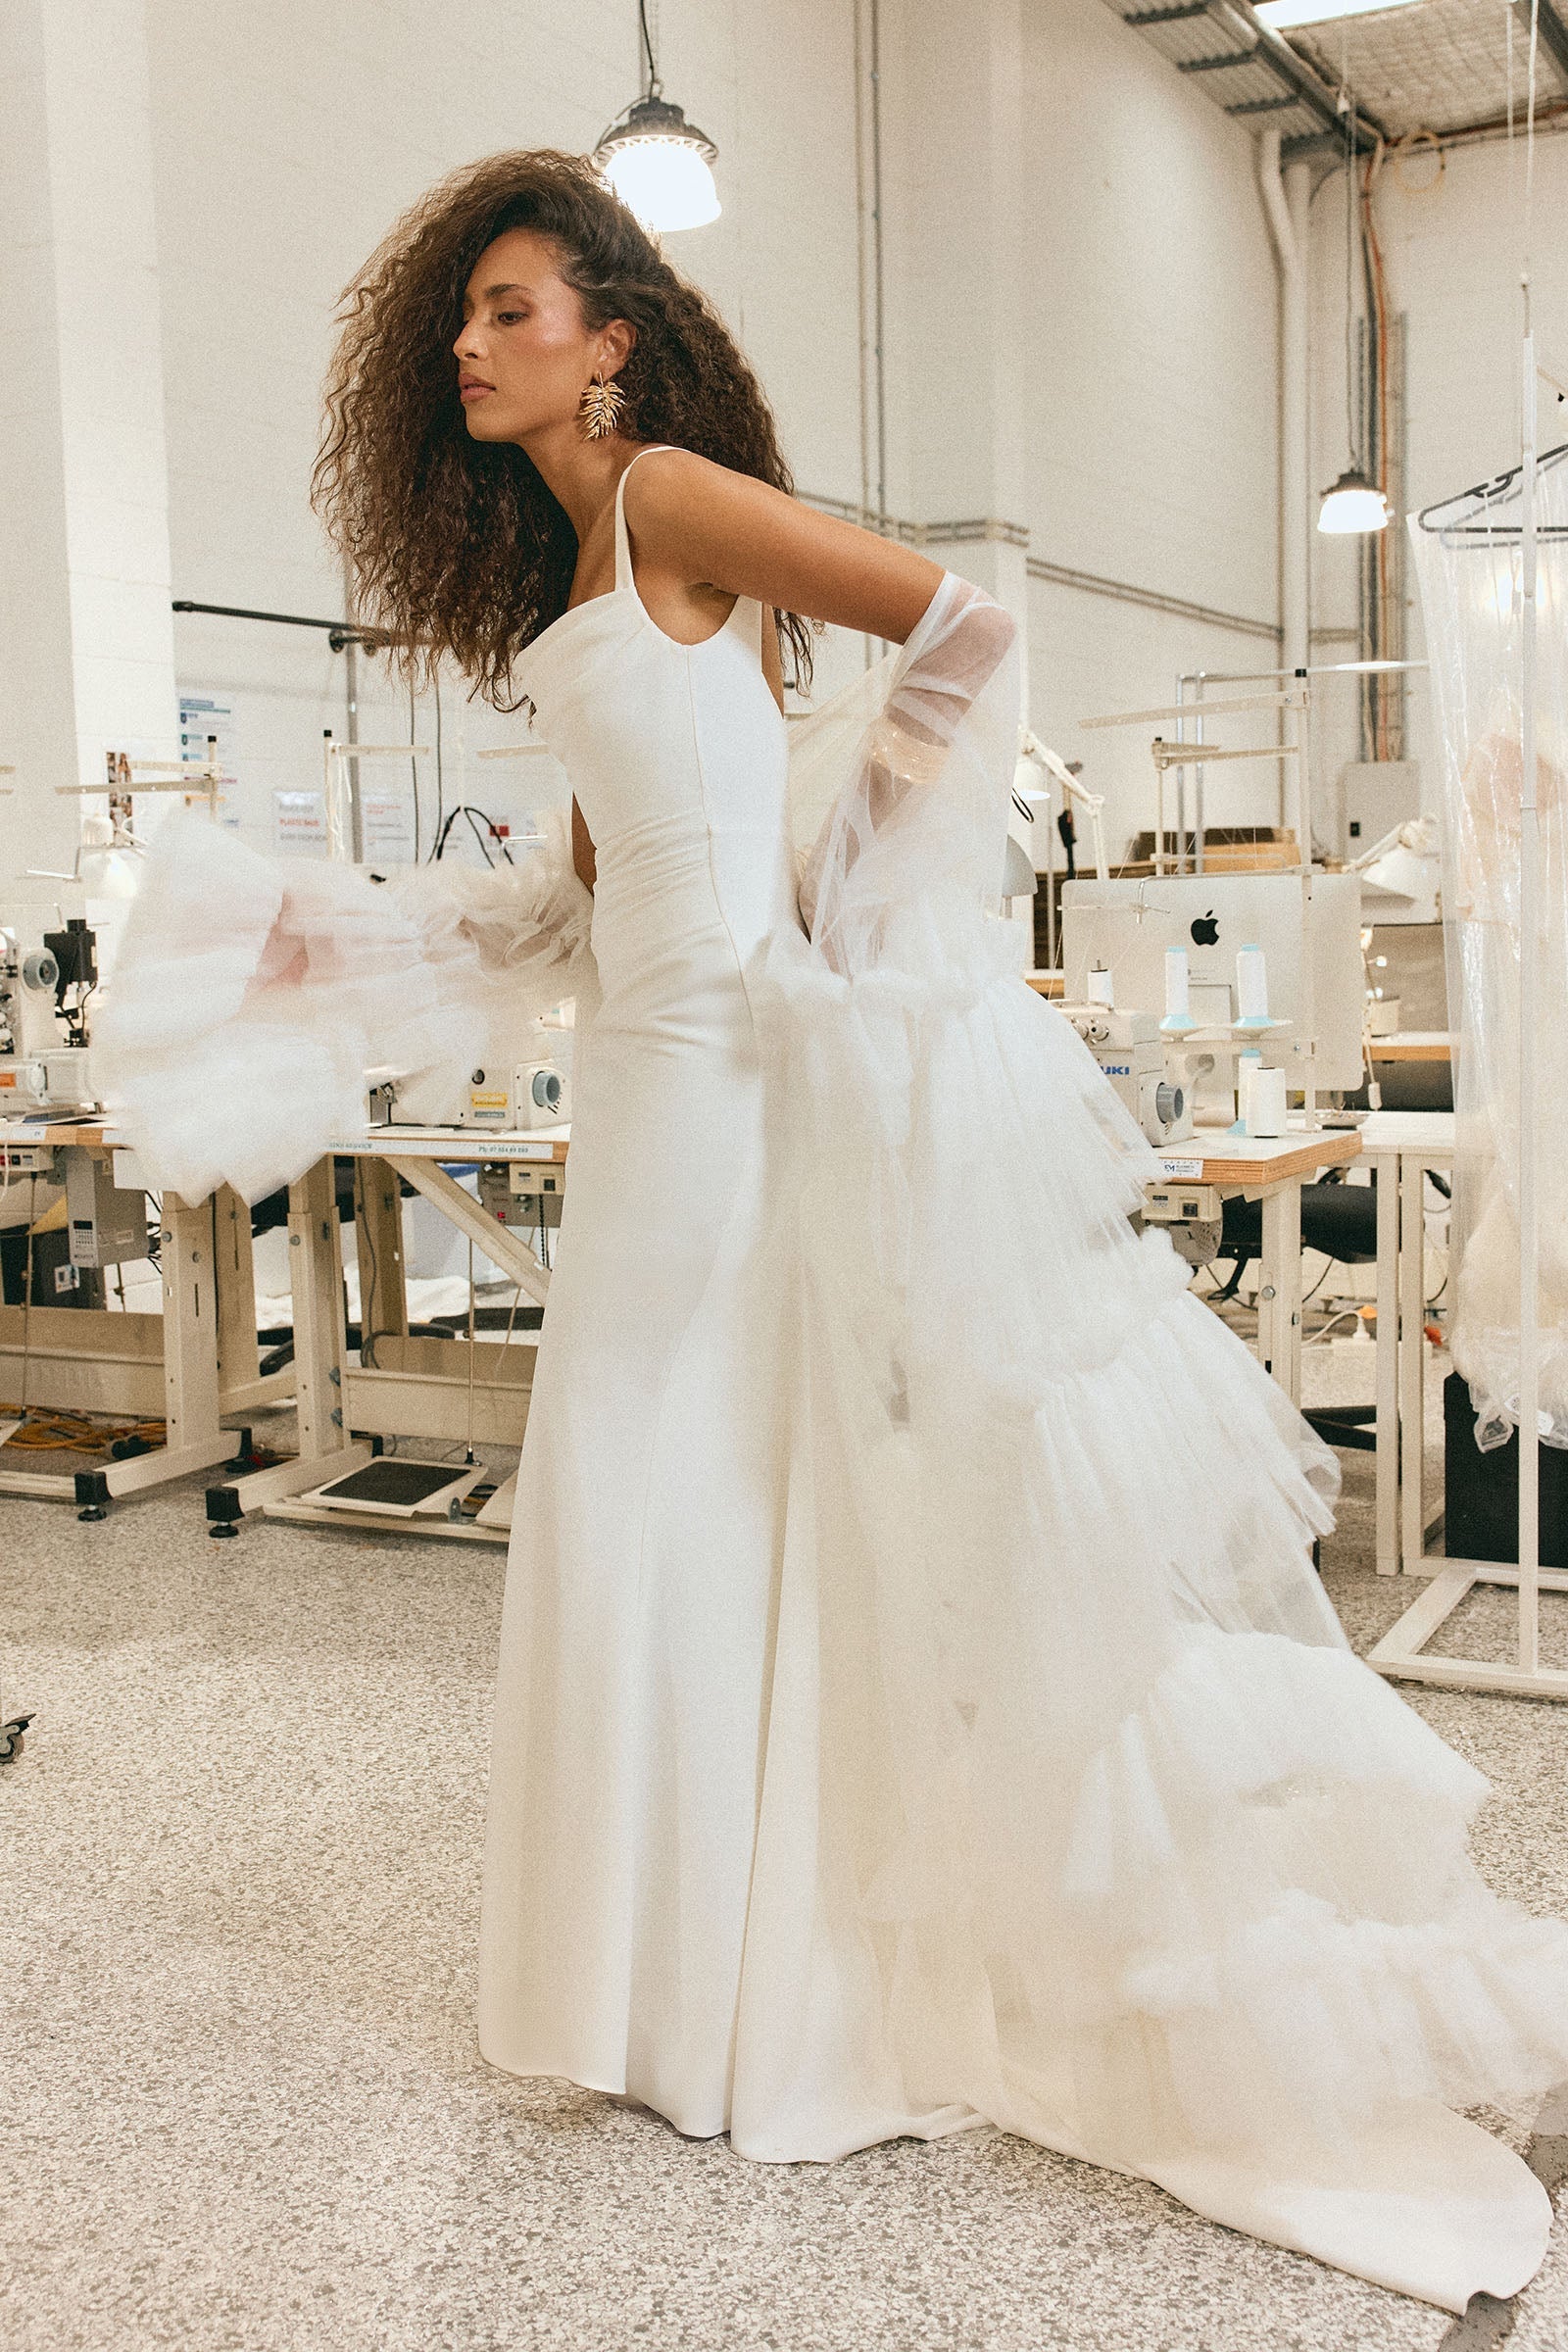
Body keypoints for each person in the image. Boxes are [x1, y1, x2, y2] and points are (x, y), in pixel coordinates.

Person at [102, 151, 1568, 2315]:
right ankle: (690, 1988)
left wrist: (854, 877)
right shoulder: (584, 563)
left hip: (723, 1085)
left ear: (610, 335)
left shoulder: (667, 494)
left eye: (511, 309)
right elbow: (590, 890)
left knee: (669, 1495)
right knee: (668, 1510)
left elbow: (964, 625)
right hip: (648, 1088)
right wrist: (350, 941)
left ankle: (747, 1994)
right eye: (464, 316)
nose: (471, 346)